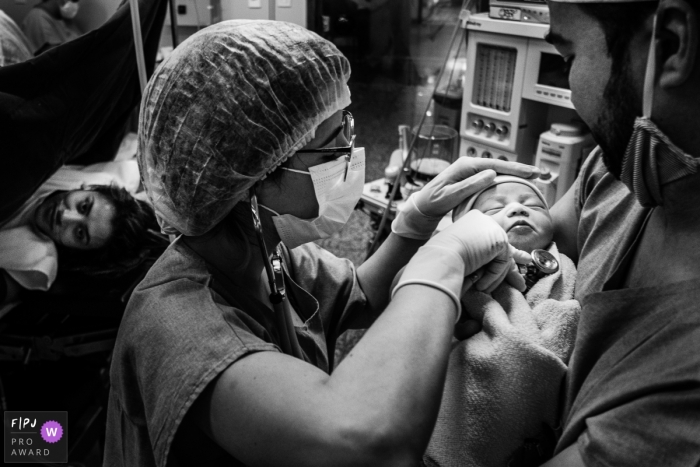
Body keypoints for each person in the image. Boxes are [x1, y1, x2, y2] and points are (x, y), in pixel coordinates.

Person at [103, 20, 550, 467]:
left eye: (347, 129)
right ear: (251, 178)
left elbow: (359, 294)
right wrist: (443, 259)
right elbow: (364, 443)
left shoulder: (264, 250)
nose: (350, 156)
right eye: (333, 146)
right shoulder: (176, 324)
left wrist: (414, 224)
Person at [465, 0, 700, 465]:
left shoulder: (680, 390)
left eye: (568, 59)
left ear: (670, 45)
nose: (571, 93)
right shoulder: (624, 167)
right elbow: (538, 238)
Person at [424, 176, 580, 467]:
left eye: (532, 204)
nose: (518, 210)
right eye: (495, 209)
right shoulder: (465, 264)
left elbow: (566, 310)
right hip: (478, 363)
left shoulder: (565, 263)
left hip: (541, 369)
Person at [0, 161, 158, 306]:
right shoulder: (80, 178)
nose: (65, 216)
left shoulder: (38, 260)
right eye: (83, 206)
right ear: (88, 188)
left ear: (77, 250)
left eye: (80, 233)